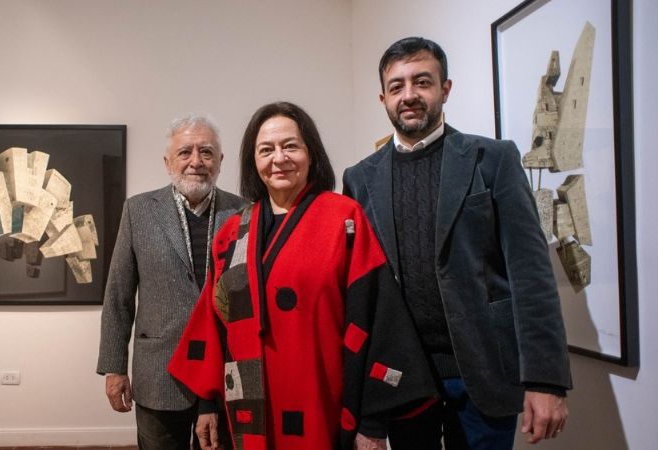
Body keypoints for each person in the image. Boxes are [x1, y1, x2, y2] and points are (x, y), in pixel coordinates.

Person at [342, 37, 573, 450]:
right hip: (405, 378)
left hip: (485, 369)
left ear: (445, 89)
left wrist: (545, 378)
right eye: (397, 86)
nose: (409, 95)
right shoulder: (359, 178)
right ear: (383, 98)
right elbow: (363, 293)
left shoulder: (494, 159)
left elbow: (531, 273)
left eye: (422, 82)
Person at [168, 101, 437, 450]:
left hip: (322, 402)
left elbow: (376, 319)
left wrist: (372, 423)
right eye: (266, 150)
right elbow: (215, 322)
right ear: (254, 161)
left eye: (290, 146)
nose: (278, 158)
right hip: (248, 407)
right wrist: (206, 403)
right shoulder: (232, 233)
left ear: (312, 154)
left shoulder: (344, 219)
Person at [97, 115, 244, 450]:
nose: (196, 162)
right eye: (185, 152)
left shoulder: (243, 212)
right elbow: (118, 295)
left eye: (206, 152)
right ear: (168, 162)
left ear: (220, 160)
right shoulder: (138, 211)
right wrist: (113, 367)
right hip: (159, 374)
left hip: (225, 374)